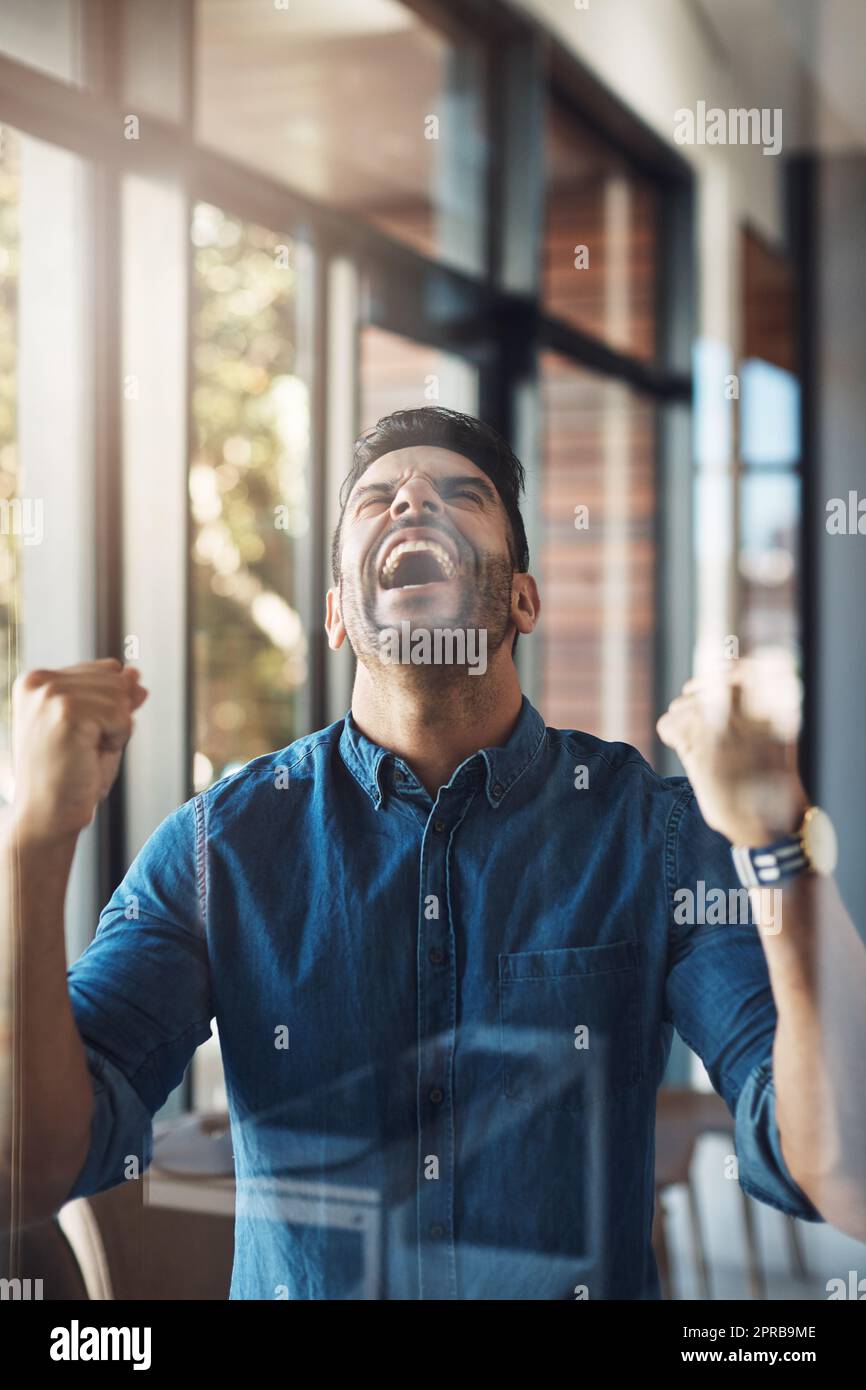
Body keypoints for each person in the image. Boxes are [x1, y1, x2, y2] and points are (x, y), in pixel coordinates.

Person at [3, 407, 865, 1299]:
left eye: (462, 494)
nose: (412, 499)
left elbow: (847, 1173)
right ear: (338, 614)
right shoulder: (219, 848)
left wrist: (775, 839)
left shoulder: (654, 832)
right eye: (378, 498)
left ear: (522, 599)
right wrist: (33, 845)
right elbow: (25, 1173)